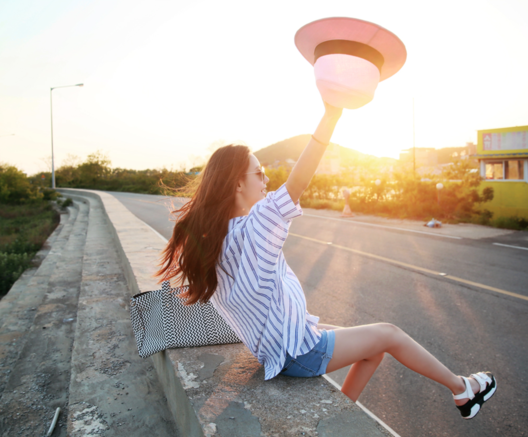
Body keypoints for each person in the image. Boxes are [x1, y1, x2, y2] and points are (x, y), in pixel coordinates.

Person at [155, 101, 496, 420]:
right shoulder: (255, 224)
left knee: (372, 347)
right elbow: (298, 181)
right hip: (297, 353)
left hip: (278, 346)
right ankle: (462, 389)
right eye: (259, 174)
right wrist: (331, 114)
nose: (266, 180)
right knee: (389, 334)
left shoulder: (214, 238)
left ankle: (336, 418)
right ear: (236, 184)